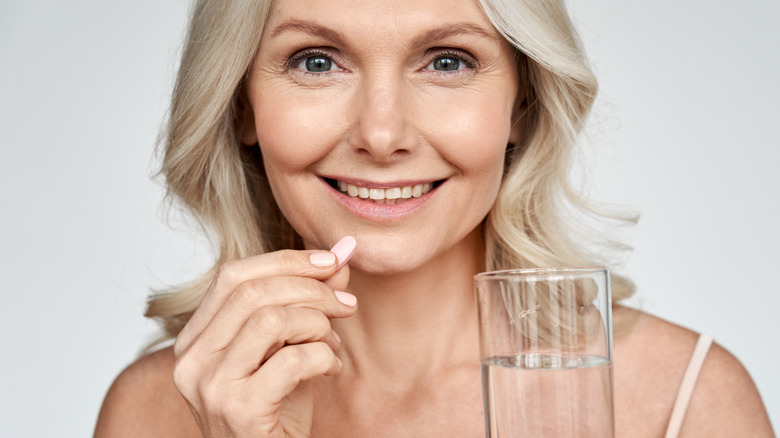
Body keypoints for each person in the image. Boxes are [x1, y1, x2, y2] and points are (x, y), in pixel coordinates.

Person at [94, 0, 774, 436]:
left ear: (522, 109)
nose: (382, 134)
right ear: (241, 105)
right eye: (316, 61)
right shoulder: (154, 414)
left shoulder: (686, 402)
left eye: (448, 61)